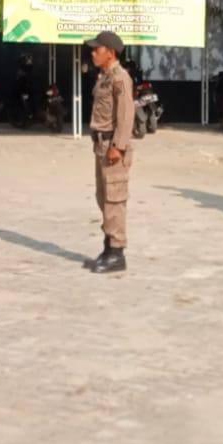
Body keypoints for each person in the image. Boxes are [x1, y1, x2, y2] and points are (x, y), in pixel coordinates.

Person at [84, 31, 134, 274]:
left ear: (110, 53)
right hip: (101, 145)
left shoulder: (119, 78)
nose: (93, 52)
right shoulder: (104, 77)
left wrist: (119, 146)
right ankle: (107, 247)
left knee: (114, 199)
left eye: (97, 49)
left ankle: (117, 253)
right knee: (103, 197)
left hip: (113, 147)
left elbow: (126, 115)